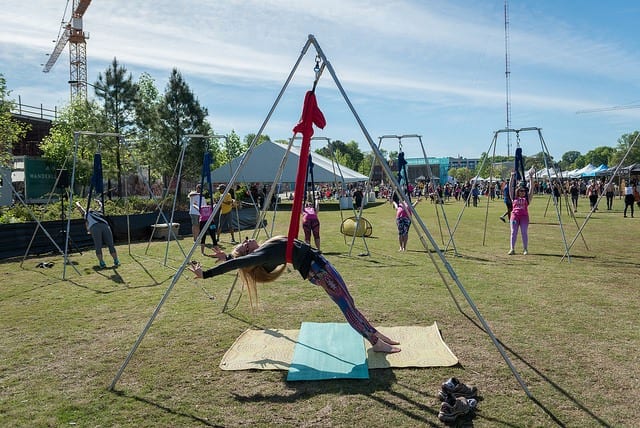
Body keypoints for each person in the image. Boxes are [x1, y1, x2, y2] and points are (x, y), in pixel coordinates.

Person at [188, 236, 400, 353]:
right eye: (244, 245)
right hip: (319, 271)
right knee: (346, 307)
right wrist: (206, 274)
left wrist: (226, 256)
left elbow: (238, 260)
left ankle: (374, 333)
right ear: (249, 254)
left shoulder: (263, 251)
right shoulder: (261, 255)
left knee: (349, 303)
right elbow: (239, 263)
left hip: (320, 267)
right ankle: (374, 341)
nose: (246, 240)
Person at [75, 200, 120, 268]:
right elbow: (79, 207)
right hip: (95, 227)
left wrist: (98, 201)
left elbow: (101, 205)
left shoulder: (97, 212)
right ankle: (102, 262)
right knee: (98, 245)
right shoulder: (86, 213)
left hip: (104, 226)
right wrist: (78, 202)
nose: (90, 208)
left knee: (110, 244)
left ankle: (116, 261)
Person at [507, 171, 534, 255]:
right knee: (513, 232)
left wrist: (531, 178)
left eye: (523, 191)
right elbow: (510, 188)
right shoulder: (513, 198)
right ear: (517, 191)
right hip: (514, 217)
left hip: (524, 217)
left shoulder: (527, 199)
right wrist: (512, 176)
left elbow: (531, 188)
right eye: (520, 191)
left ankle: (525, 249)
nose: (522, 192)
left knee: (524, 232)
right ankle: (512, 249)